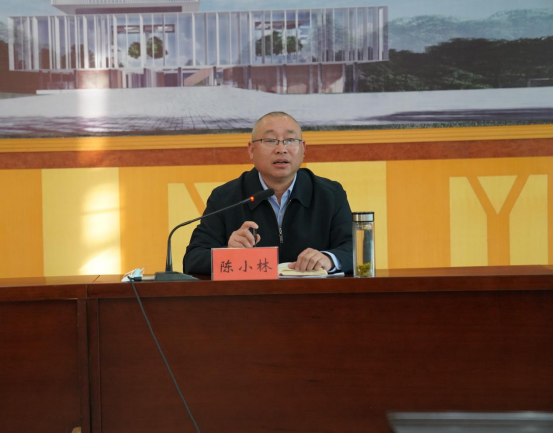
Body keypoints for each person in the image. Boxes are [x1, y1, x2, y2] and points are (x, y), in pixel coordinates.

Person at [183, 111, 353, 275]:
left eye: (290, 140)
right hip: (251, 294)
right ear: (251, 150)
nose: (281, 149)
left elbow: (355, 248)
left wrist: (330, 259)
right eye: (270, 140)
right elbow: (193, 259)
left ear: (303, 148)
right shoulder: (225, 198)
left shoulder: (330, 195)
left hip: (313, 294)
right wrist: (229, 253)